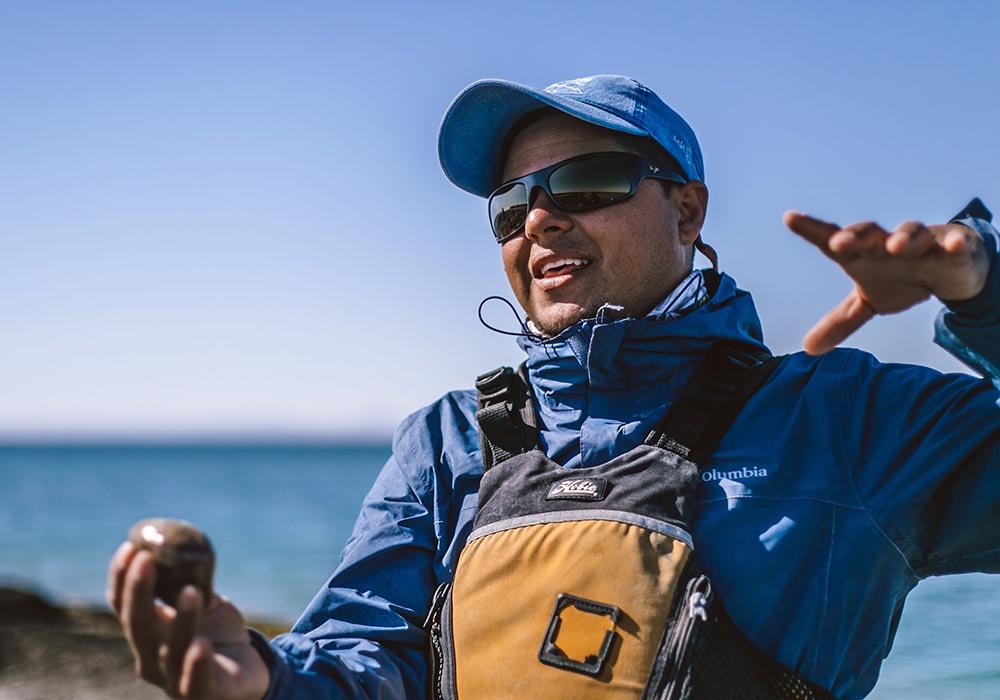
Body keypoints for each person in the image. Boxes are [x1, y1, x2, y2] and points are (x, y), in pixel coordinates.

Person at [108, 75, 1000, 700]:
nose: (540, 218)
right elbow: (366, 662)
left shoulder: (842, 419)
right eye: (512, 203)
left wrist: (981, 298)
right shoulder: (448, 441)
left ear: (687, 211)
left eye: (585, 182)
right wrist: (264, 682)